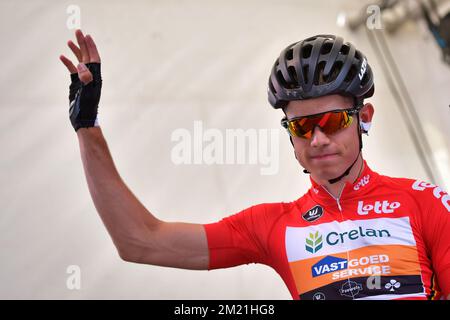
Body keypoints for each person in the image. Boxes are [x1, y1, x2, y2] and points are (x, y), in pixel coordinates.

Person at [60, 30, 449, 300]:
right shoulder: (273, 225)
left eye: (332, 121)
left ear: (363, 116)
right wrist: (87, 127)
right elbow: (140, 241)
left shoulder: (424, 202)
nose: (318, 139)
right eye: (301, 126)